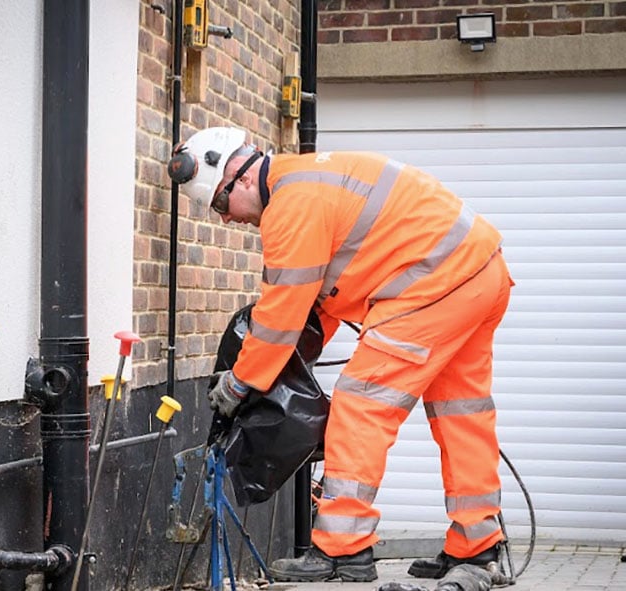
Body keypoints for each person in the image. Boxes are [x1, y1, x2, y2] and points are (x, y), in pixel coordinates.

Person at [166, 127, 514, 583]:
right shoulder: (307, 181)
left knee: (359, 405)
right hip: (478, 271)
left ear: (242, 180)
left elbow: (280, 317)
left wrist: (240, 382)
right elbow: (317, 308)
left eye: (219, 205)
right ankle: (478, 546)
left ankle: (343, 549)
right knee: (459, 412)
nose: (226, 220)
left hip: (433, 282)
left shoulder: (290, 209)